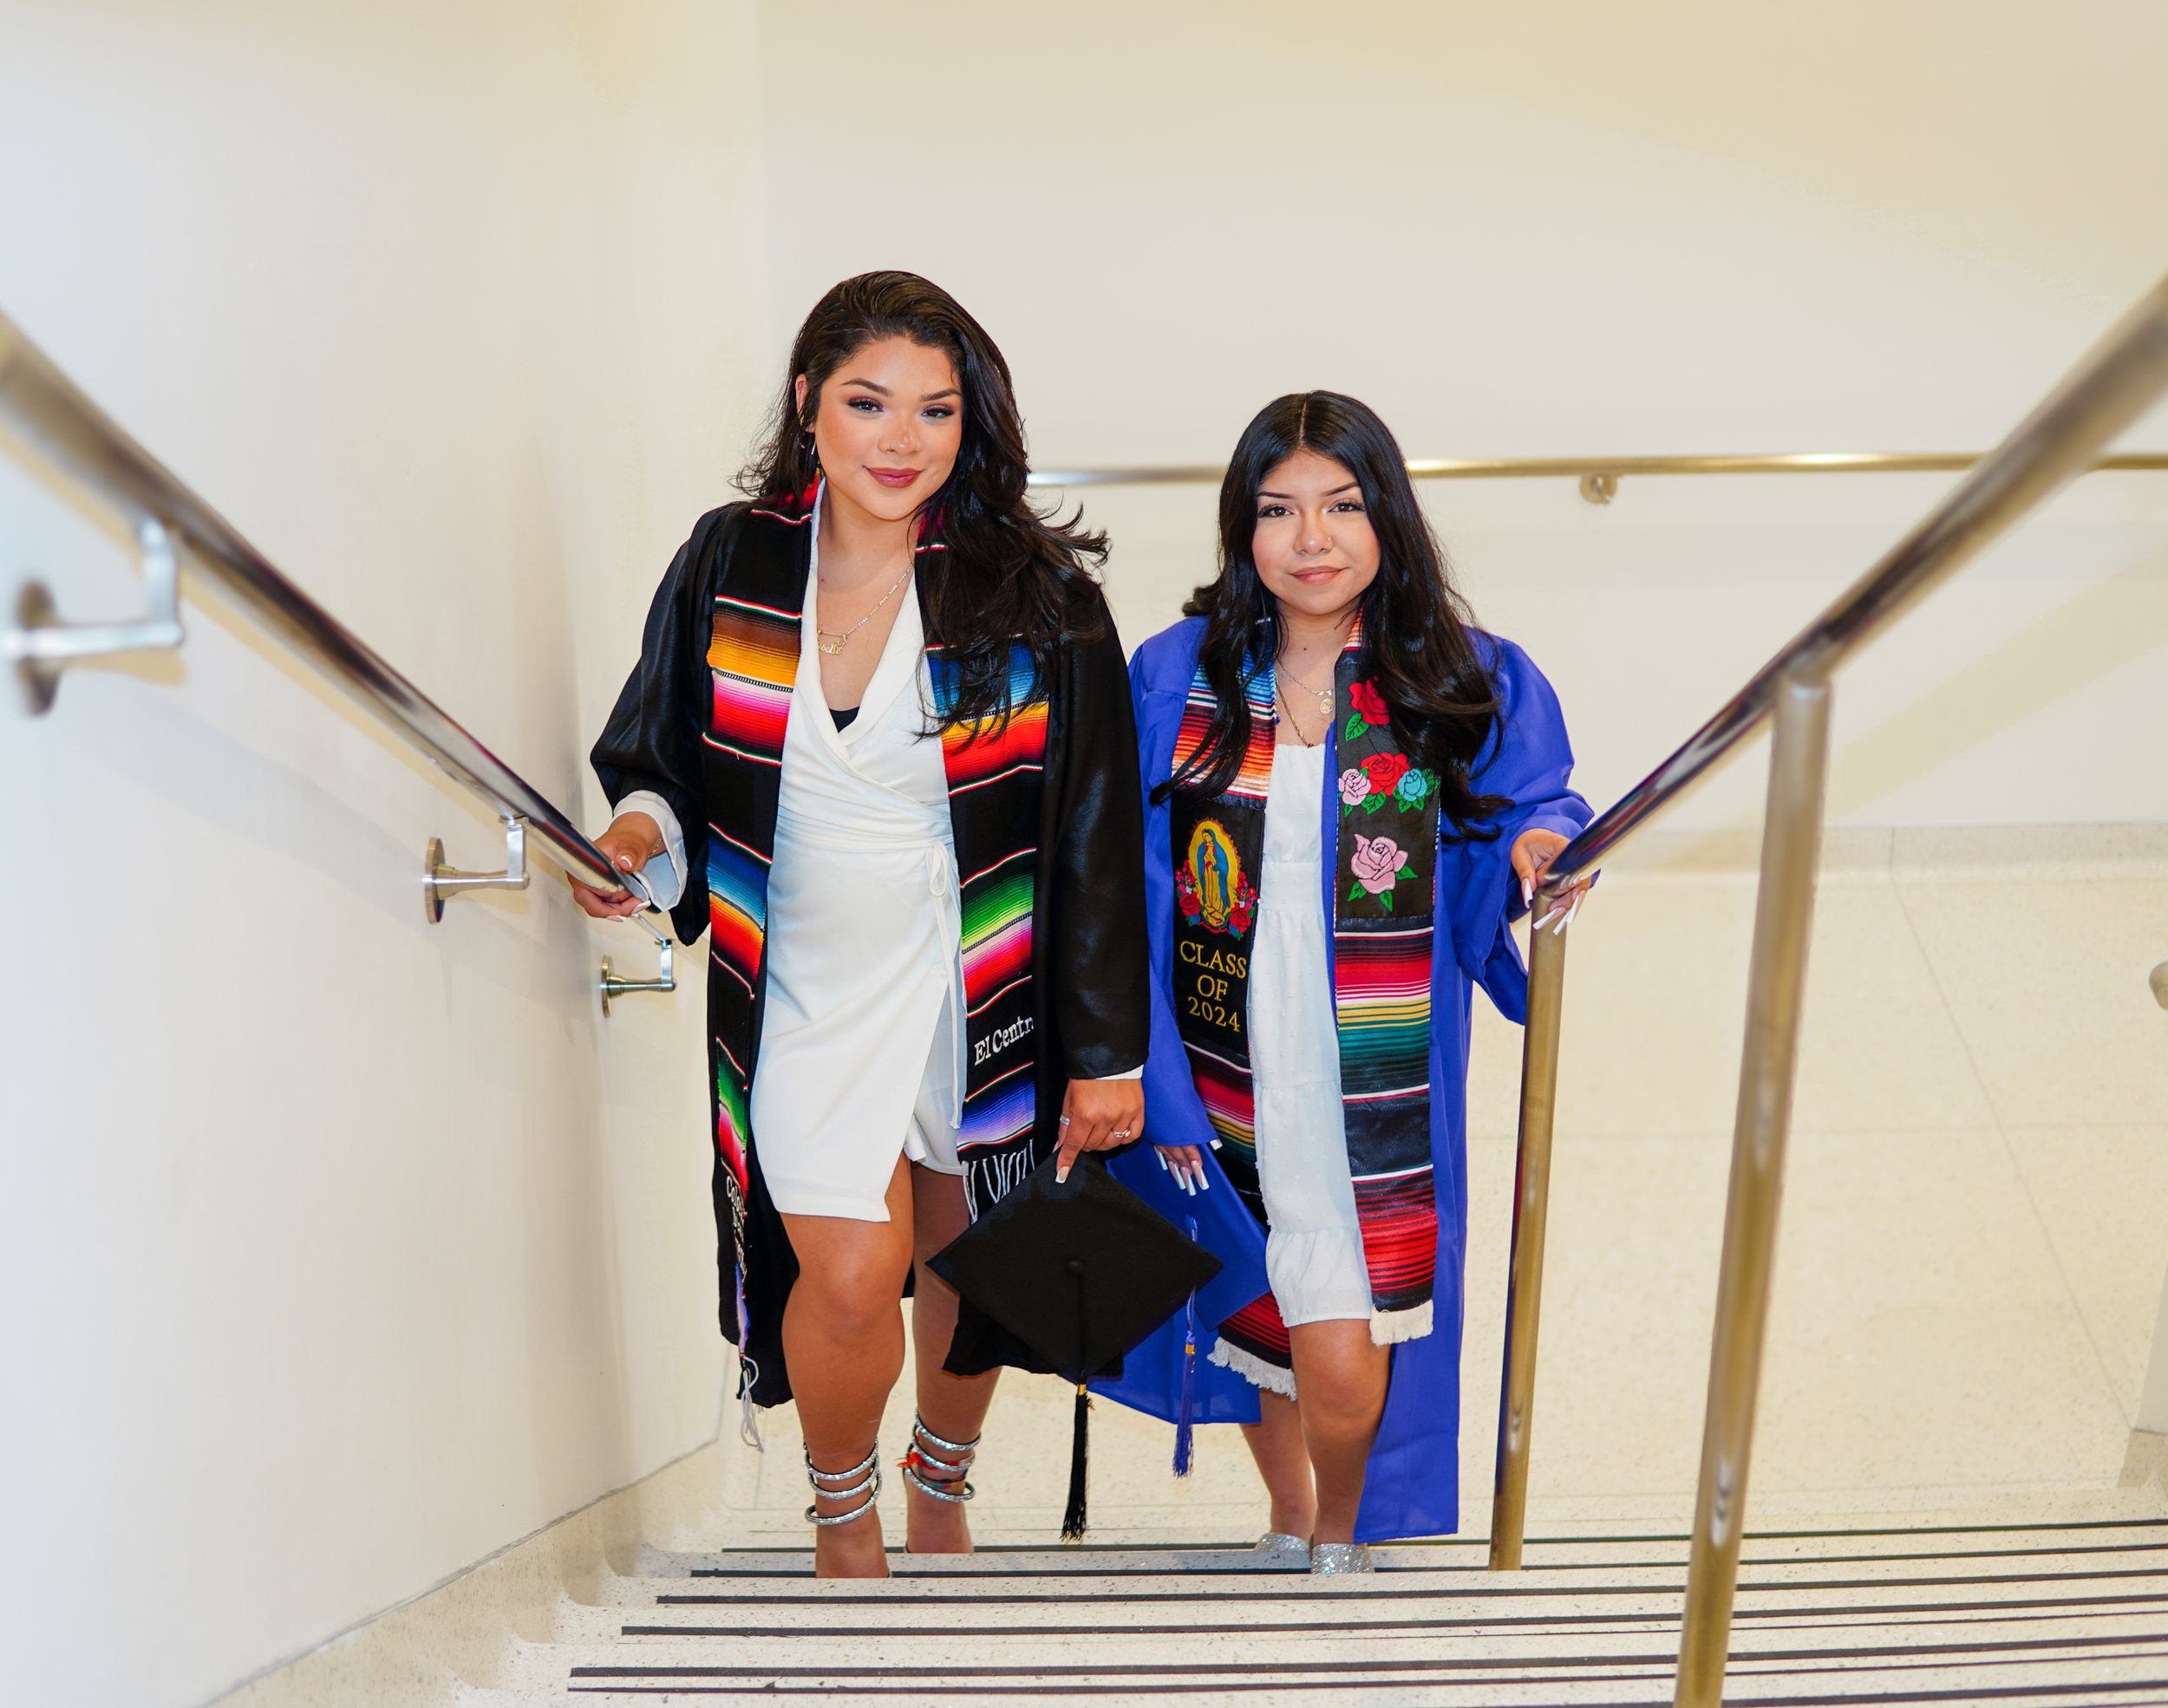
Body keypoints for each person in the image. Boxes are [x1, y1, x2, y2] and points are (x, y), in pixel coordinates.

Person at [573, 272, 1147, 1577]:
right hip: (804, 980)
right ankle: (844, 1518)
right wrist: (637, 842)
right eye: (869, 402)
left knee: (966, 1248)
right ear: (808, 406)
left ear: (971, 422)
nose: (903, 438)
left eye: (935, 410)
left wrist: (1108, 1051)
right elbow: (657, 760)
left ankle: (939, 1478)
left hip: (974, 971)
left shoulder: (1037, 592)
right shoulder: (733, 559)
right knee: (842, 1264)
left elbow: (1099, 838)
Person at [1110, 391, 1592, 1572]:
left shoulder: (1459, 672)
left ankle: (1343, 1530)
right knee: (1249, 1302)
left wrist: (1540, 848)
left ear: (1388, 517)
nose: (1311, 538)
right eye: (1279, 510)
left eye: (1342, 504)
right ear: (1243, 525)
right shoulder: (1178, 671)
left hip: (1365, 1075)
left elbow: (1539, 797)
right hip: (1218, 1059)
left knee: (1340, 1324)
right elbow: (1115, 879)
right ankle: (1290, 1520)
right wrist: (1150, 1075)